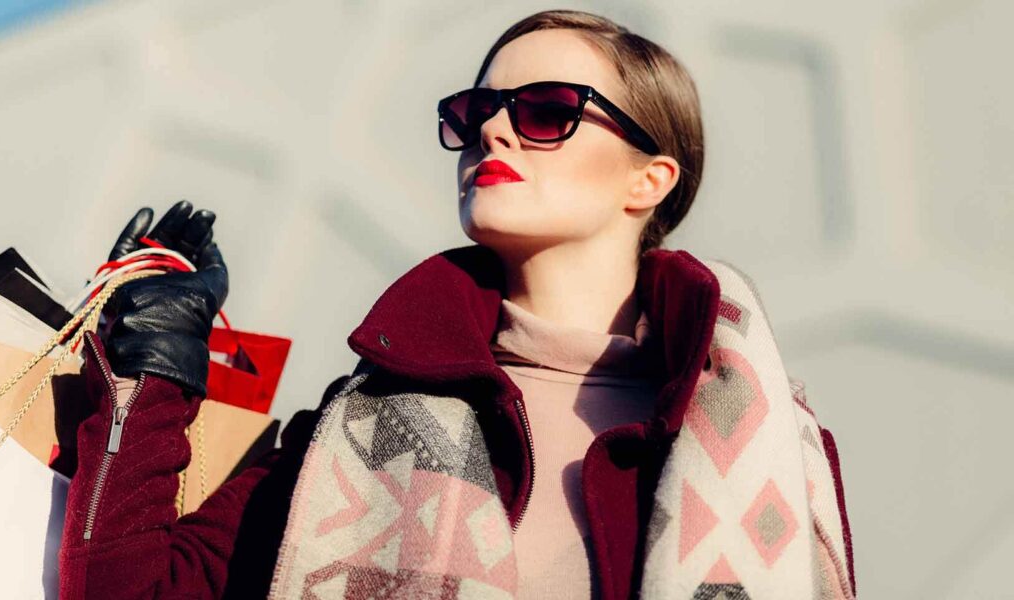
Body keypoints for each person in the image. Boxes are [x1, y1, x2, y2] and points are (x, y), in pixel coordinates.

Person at [58, 10, 855, 600]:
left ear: (649, 179)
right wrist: (156, 363)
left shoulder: (763, 445)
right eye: (476, 113)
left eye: (547, 110)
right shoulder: (355, 431)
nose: (494, 131)